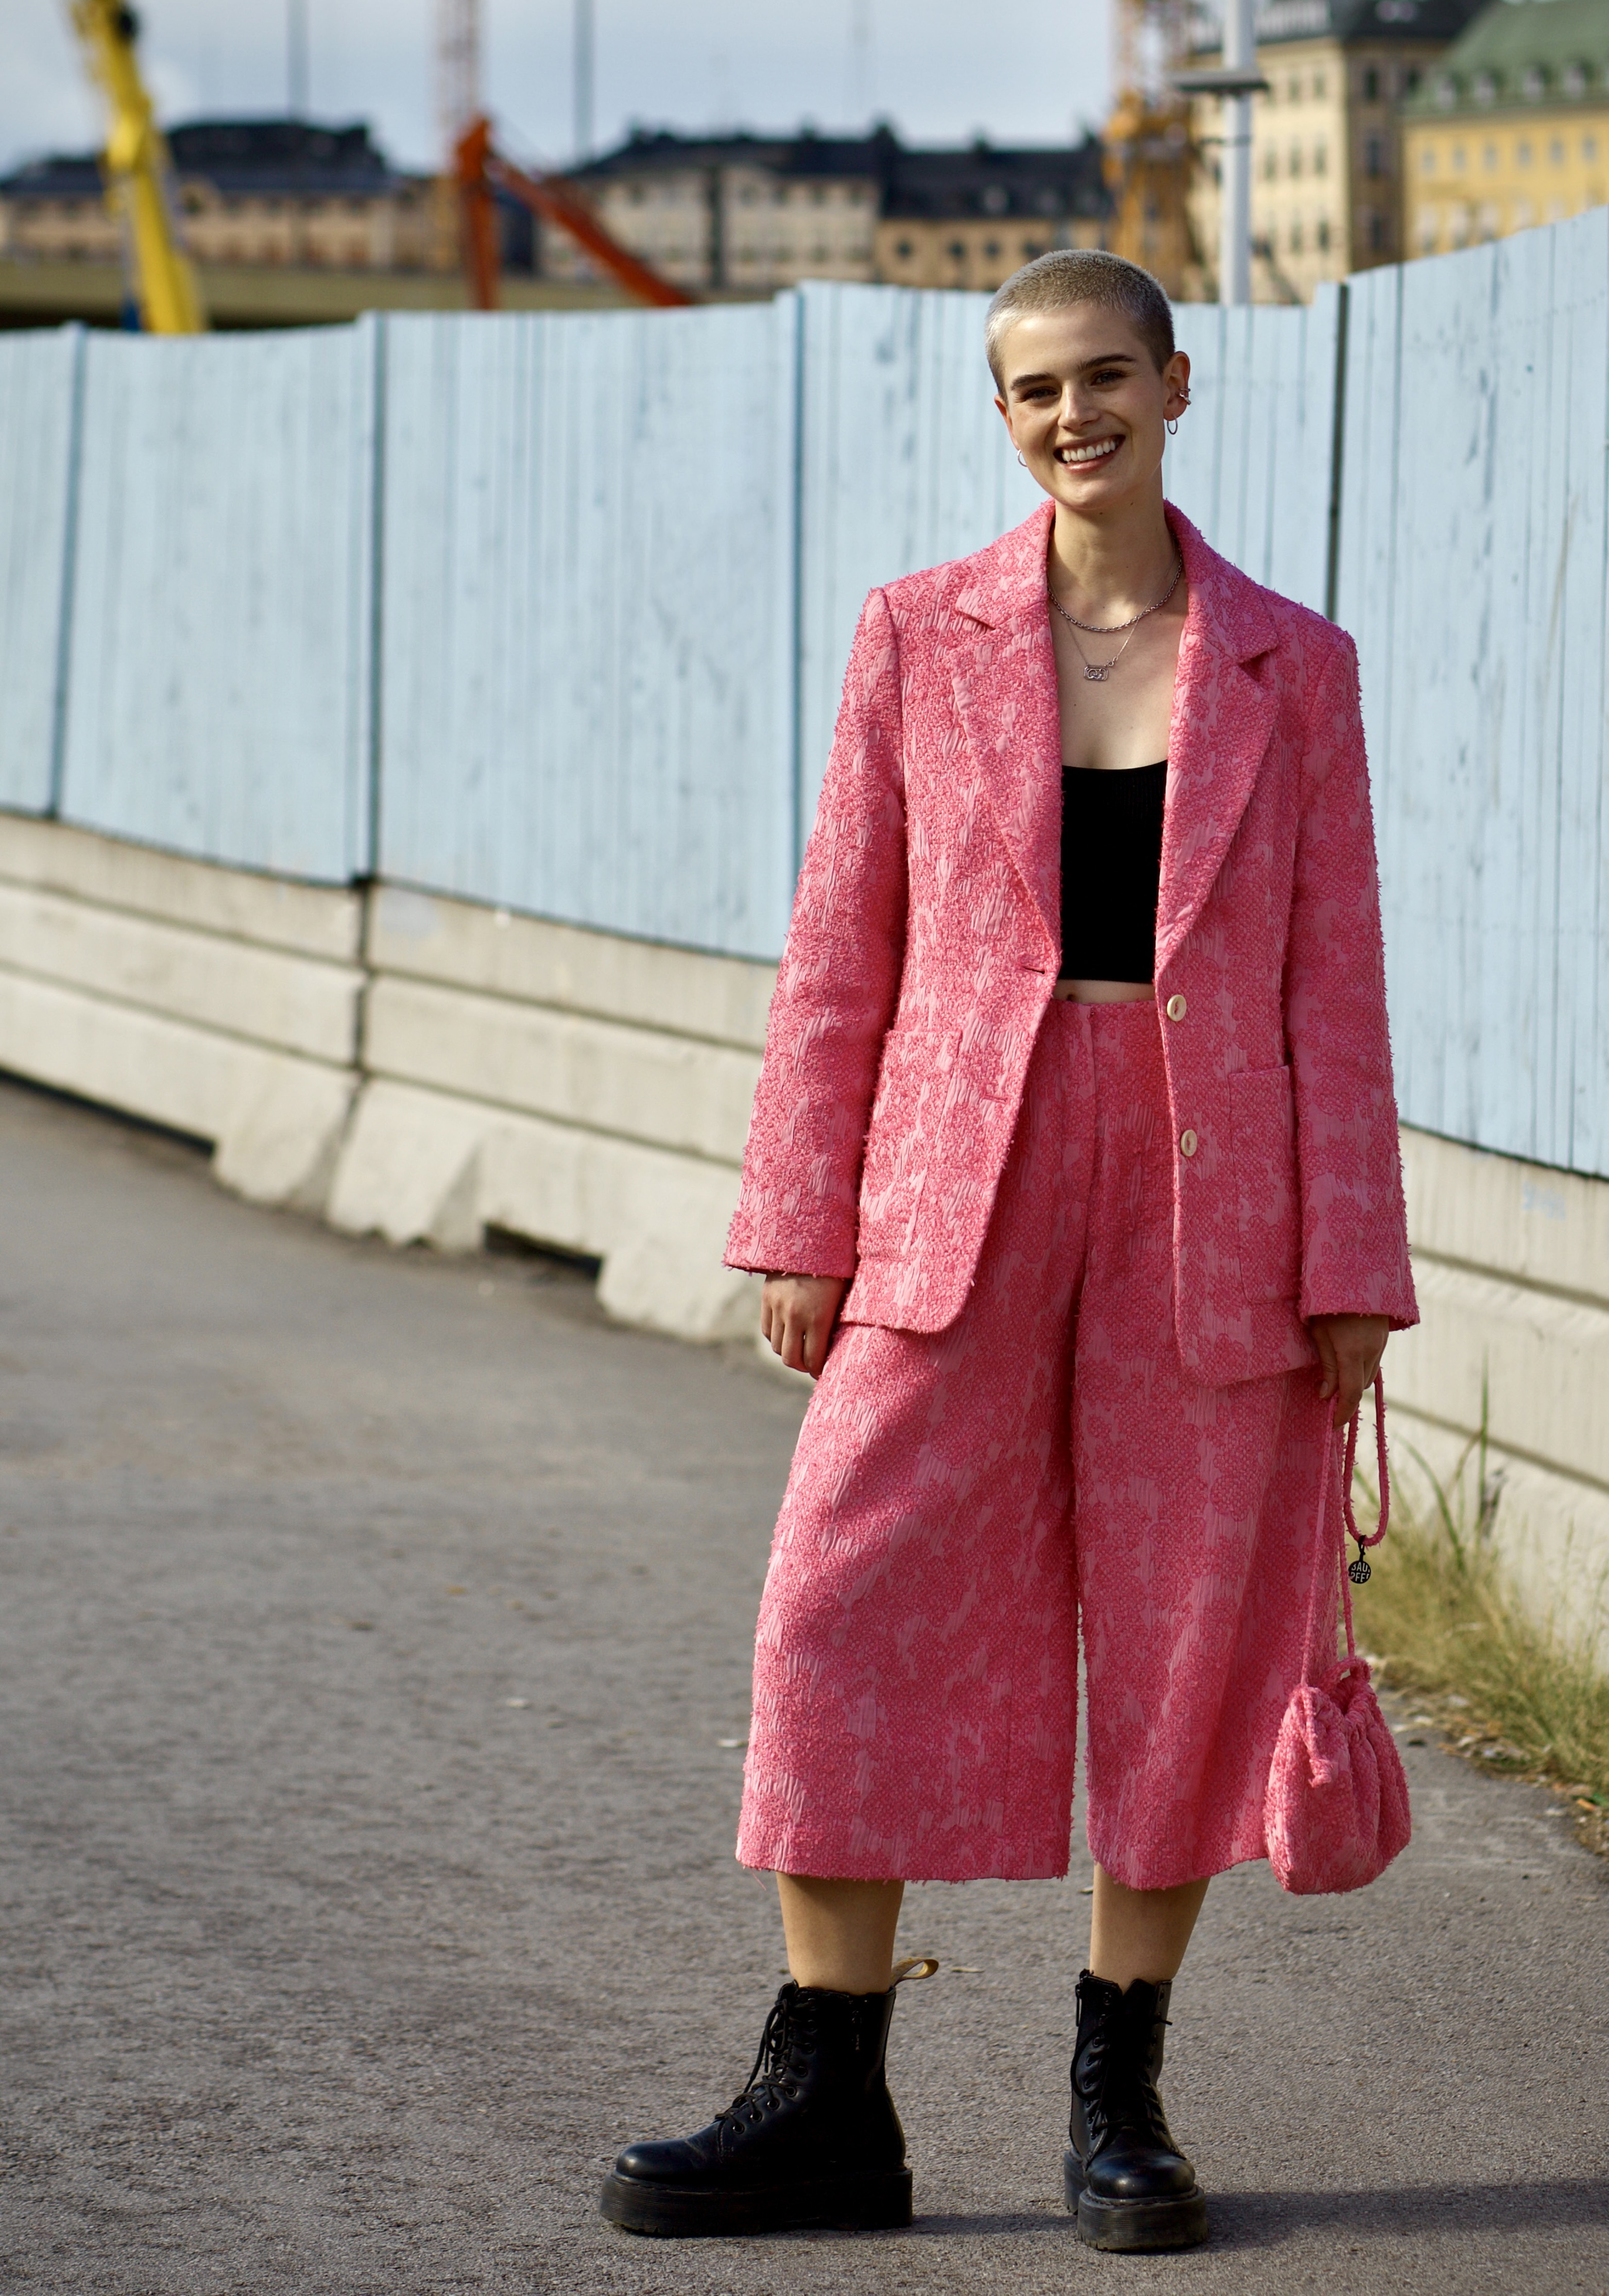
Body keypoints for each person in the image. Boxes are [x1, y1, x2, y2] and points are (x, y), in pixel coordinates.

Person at [600, 249, 1417, 2253]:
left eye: (1107, 377)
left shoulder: (1289, 668)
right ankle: (826, 2095)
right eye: (1036, 388)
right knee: (839, 1601)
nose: (1075, 416)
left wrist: (1349, 1270)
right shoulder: (915, 634)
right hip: (952, 1179)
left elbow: (1336, 987)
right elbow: (837, 954)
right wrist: (800, 1215)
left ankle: (1117, 2094)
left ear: (1175, 381)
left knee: (1180, 1629)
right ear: (1005, 411)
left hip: (1206, 1187)